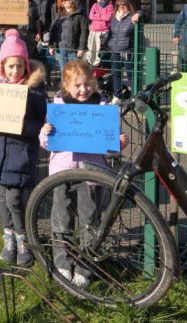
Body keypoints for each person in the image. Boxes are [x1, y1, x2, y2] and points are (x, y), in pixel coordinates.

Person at [39, 60, 128, 288]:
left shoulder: (102, 108)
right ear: (66, 85)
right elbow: (46, 143)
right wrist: (46, 133)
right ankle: (62, 263)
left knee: (89, 222)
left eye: (88, 84)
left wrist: (119, 142)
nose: (83, 89)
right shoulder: (58, 107)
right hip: (61, 173)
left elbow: (111, 143)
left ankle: (85, 268)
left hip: (92, 175)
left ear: (94, 83)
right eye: (77, 85)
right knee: (61, 220)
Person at [0, 29, 47, 267]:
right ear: (2, 67)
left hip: (20, 154)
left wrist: (21, 126)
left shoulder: (35, 91)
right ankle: (8, 237)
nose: (15, 71)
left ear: (26, 66)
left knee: (16, 199)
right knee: (1, 197)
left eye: (19, 66)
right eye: (10, 67)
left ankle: (23, 239)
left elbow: (42, 122)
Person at [105, 0, 143, 102]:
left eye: (124, 4)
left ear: (128, 5)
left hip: (127, 51)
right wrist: (107, 44)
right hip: (115, 50)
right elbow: (110, 33)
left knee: (131, 74)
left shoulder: (132, 17)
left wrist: (138, 14)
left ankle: (136, 96)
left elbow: (145, 15)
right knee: (116, 74)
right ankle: (117, 96)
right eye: (119, 5)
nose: (121, 6)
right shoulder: (114, 19)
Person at [49, 0, 88, 77]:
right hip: (61, 48)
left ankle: (73, 90)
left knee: (75, 73)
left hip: (74, 49)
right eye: (62, 0)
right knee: (64, 72)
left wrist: (81, 48)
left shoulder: (80, 14)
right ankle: (65, 90)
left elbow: (84, 32)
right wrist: (51, 45)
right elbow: (53, 30)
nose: (64, 2)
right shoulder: (59, 15)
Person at [86, 0, 114, 66]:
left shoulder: (110, 6)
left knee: (100, 51)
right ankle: (92, 66)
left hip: (103, 32)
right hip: (93, 30)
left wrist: (97, 15)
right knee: (92, 49)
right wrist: (102, 16)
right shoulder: (95, 5)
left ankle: (101, 68)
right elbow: (91, 16)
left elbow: (108, 17)